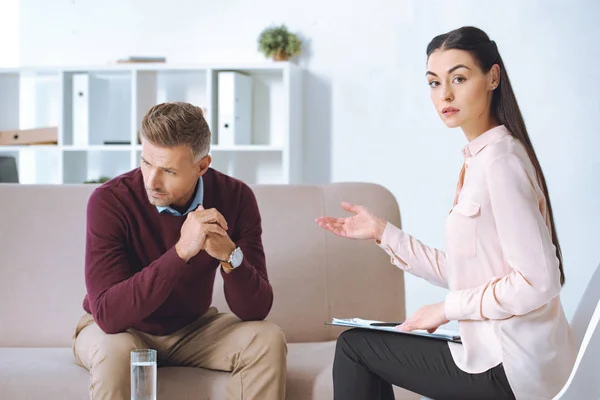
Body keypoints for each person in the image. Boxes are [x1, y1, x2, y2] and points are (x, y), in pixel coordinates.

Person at [315, 26, 576, 400]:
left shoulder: (500, 163)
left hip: (511, 369)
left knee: (356, 348)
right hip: (495, 354)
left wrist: (446, 308)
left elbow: (538, 281)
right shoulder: (481, 159)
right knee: (361, 344)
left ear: (493, 78)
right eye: (434, 83)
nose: (445, 94)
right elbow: (472, 271)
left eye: (459, 78)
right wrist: (383, 232)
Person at [72, 102, 287, 400]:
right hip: (120, 330)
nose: (152, 180)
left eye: (168, 170)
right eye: (146, 162)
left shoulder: (236, 197)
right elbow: (109, 314)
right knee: (117, 352)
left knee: (268, 339)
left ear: (202, 166)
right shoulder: (110, 201)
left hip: (192, 329)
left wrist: (230, 256)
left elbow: (256, 310)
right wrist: (181, 251)